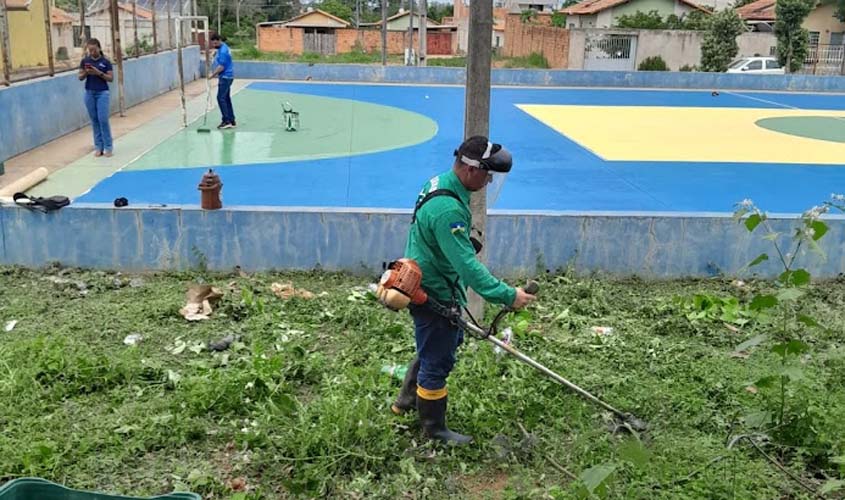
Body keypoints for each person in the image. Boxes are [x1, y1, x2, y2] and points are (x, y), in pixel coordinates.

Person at [391, 136, 536, 445]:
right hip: (433, 290)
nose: (488, 182)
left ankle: (405, 401)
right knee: (438, 360)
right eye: (488, 175)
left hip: (431, 277)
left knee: (439, 343)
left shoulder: (439, 182)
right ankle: (434, 430)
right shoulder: (449, 211)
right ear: (471, 170)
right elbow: (469, 268)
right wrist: (510, 295)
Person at [78, 38, 114, 157]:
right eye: (90, 50)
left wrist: (98, 72)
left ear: (99, 48)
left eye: (94, 50)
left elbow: (110, 78)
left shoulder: (105, 62)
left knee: (103, 119)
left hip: (102, 93)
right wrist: (87, 72)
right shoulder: (85, 61)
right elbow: (80, 77)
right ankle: (98, 146)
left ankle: (108, 146)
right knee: (94, 120)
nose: (92, 52)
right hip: (89, 93)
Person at [209, 33, 235, 129]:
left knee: (221, 98)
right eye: (213, 44)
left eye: (216, 43)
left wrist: (212, 75)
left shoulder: (223, 51)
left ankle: (226, 120)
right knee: (226, 98)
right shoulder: (223, 47)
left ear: (220, 40)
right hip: (227, 77)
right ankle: (231, 120)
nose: (214, 45)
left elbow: (221, 67)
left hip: (225, 77)